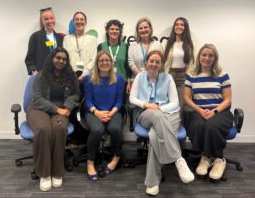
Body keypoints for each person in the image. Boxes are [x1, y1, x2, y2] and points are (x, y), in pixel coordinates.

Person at [130, 50, 194, 196]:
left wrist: (160, 108)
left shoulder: (168, 78)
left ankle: (152, 182)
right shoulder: (139, 77)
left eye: (157, 62)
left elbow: (175, 102)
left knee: (154, 136)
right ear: (146, 62)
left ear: (161, 64)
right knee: (157, 118)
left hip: (169, 113)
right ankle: (178, 159)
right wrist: (147, 105)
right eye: (151, 61)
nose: (153, 64)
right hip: (146, 114)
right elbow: (132, 99)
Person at [26, 48, 80, 191]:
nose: (61, 61)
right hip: (38, 109)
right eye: (58, 57)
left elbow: (76, 95)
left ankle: (57, 172)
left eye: (64, 59)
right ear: (51, 58)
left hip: (62, 108)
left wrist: (68, 106)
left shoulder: (71, 76)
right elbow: (37, 99)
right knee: (43, 129)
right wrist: (57, 109)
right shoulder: (41, 76)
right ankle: (44, 173)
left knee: (59, 128)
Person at [183, 44, 233, 181]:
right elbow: (187, 97)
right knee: (197, 126)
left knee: (211, 126)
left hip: (220, 112)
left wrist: (214, 111)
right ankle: (205, 157)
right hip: (198, 111)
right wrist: (199, 110)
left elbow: (228, 99)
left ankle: (218, 159)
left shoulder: (222, 75)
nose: (206, 58)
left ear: (215, 58)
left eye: (211, 55)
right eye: (204, 55)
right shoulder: (192, 75)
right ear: (199, 56)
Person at [84, 51, 125, 181]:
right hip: (93, 111)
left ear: (111, 63)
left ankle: (116, 158)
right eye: (101, 60)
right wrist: (97, 112)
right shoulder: (89, 79)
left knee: (115, 130)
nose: (104, 63)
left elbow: (119, 101)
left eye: (107, 60)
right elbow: (88, 100)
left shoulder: (119, 79)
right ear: (97, 63)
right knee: (97, 130)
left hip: (113, 111)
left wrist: (111, 113)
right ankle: (90, 162)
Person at [162, 17, 195, 110]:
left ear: (185, 28)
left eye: (182, 25)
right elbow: (163, 62)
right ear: (174, 27)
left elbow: (192, 64)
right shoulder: (167, 43)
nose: (179, 26)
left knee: (181, 104)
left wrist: (189, 78)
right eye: (177, 24)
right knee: (168, 103)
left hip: (183, 76)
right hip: (169, 75)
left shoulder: (190, 44)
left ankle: (180, 124)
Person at [25, 7, 63, 75]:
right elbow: (29, 59)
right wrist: (35, 73)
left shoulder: (60, 38)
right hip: (41, 76)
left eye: (52, 18)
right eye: (46, 19)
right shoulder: (35, 36)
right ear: (42, 21)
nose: (50, 21)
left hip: (58, 76)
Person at [97, 19, 132, 94]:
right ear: (107, 31)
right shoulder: (101, 46)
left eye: (117, 29)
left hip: (122, 82)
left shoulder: (125, 46)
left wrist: (129, 83)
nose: (114, 31)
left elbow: (128, 66)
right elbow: (97, 66)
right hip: (105, 82)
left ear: (120, 32)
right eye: (112, 29)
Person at [63, 11, 97, 82]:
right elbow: (65, 58)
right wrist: (72, 74)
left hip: (88, 77)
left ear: (85, 22)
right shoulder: (67, 39)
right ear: (73, 22)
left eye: (82, 19)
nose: (79, 21)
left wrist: (83, 74)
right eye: (76, 19)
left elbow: (94, 59)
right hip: (71, 77)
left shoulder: (92, 39)